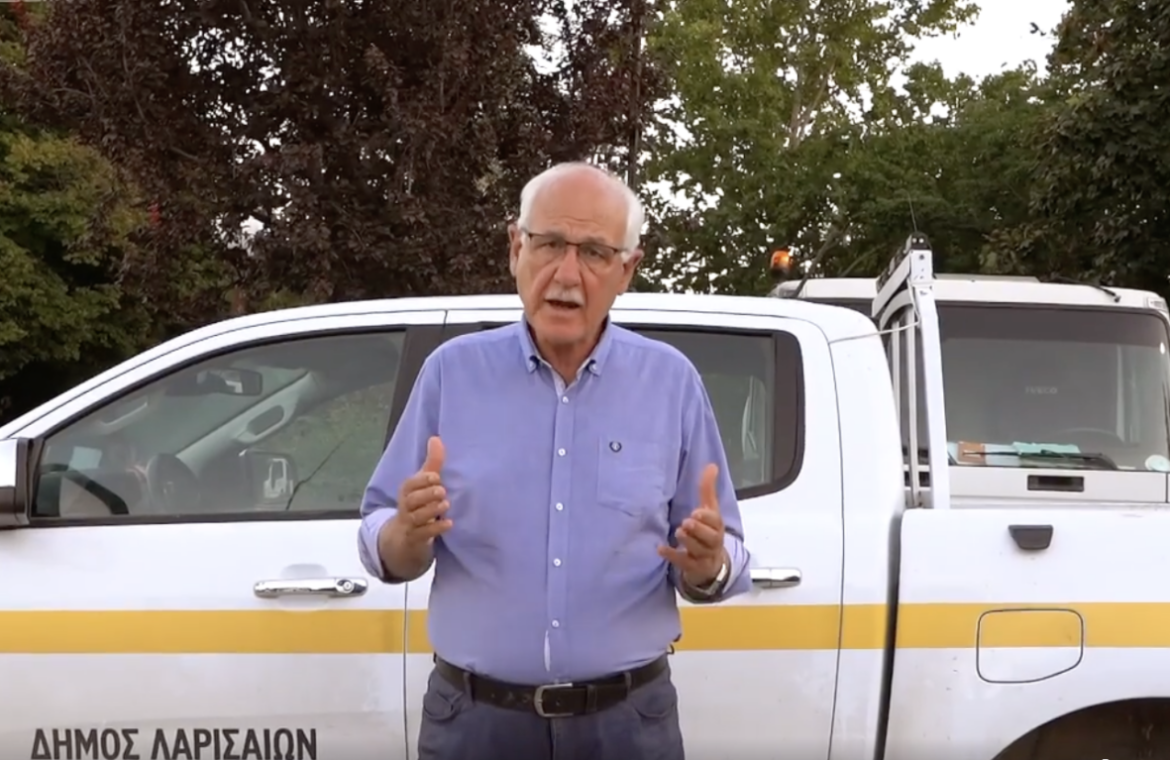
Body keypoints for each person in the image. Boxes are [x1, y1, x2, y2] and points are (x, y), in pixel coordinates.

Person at [357, 161, 751, 760]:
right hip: (475, 725)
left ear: (627, 270)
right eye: (548, 245)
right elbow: (381, 533)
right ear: (516, 249)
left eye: (594, 253)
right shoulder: (451, 374)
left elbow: (723, 559)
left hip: (627, 727)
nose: (567, 274)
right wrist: (405, 535)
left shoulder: (671, 383)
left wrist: (708, 565)